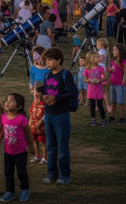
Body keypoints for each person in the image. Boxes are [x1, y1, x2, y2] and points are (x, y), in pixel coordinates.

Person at [42, 47, 74, 185]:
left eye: (50, 60)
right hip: (49, 114)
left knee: (62, 146)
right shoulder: (47, 75)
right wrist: (44, 97)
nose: (47, 63)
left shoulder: (66, 74)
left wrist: (56, 98)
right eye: (46, 60)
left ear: (59, 60)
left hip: (61, 115)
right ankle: (52, 173)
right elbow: (46, 90)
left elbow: (71, 93)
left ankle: (65, 175)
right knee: (50, 146)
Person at [0, 93, 34, 202]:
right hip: (8, 152)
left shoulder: (22, 119)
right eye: (7, 100)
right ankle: (10, 191)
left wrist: (31, 147)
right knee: (8, 173)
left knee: (21, 172)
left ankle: (25, 189)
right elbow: (2, 130)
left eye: (11, 101)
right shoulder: (4, 117)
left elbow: (29, 134)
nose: (7, 102)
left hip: (20, 152)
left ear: (19, 106)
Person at [84, 51, 107, 127]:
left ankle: (103, 120)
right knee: (92, 106)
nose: (99, 58)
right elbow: (85, 79)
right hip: (91, 91)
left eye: (99, 56)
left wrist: (99, 80)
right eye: (97, 57)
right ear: (91, 59)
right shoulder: (87, 69)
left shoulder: (100, 68)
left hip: (98, 90)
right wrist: (90, 80)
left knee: (100, 105)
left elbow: (106, 77)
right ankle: (93, 120)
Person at [108, 43, 126, 124]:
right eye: (113, 50)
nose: (113, 51)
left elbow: (125, 71)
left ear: (120, 51)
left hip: (120, 84)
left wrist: (124, 80)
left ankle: (122, 118)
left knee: (120, 102)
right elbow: (112, 69)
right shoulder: (113, 61)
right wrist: (110, 70)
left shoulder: (124, 61)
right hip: (112, 84)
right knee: (113, 101)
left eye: (115, 50)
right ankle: (112, 116)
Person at [29, 83, 47, 165]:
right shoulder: (34, 102)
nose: (35, 93)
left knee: (43, 142)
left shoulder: (45, 103)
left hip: (41, 126)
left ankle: (45, 157)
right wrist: (30, 122)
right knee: (35, 140)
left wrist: (40, 122)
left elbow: (47, 114)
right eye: (34, 91)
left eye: (37, 92)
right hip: (33, 125)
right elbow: (31, 112)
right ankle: (37, 156)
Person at [96, 38, 110, 112]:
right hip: (102, 72)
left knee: (101, 90)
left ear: (102, 45)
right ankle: (106, 106)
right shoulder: (104, 51)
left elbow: (101, 59)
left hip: (100, 73)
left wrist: (93, 59)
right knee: (103, 90)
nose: (96, 45)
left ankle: (105, 106)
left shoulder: (101, 51)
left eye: (97, 44)